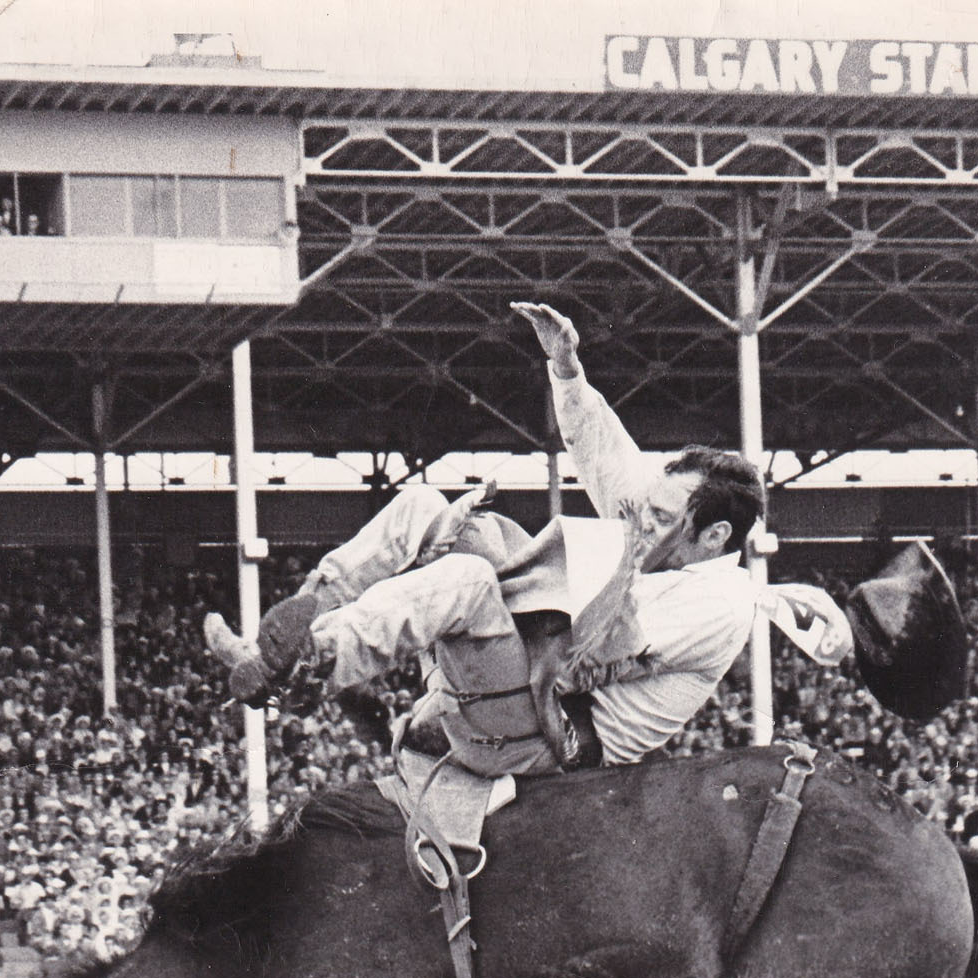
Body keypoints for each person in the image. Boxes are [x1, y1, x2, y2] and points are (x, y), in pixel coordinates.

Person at [207, 300, 854, 776]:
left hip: (552, 736)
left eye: (659, 519)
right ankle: (287, 641)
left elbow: (582, 659)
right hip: (529, 678)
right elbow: (605, 455)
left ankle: (313, 666)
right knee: (425, 508)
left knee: (465, 579)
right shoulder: (665, 525)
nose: (640, 523)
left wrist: (495, 577)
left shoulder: (721, 603)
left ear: (714, 536)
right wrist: (566, 368)